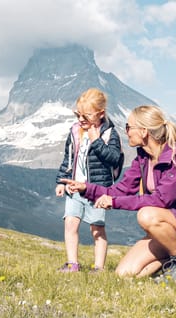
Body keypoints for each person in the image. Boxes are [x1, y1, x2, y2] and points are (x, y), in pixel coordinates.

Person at [60, 105, 176, 281]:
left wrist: (114, 202)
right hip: (168, 230)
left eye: (128, 127)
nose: (126, 132)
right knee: (124, 274)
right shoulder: (143, 158)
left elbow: (161, 200)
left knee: (146, 215)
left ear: (143, 131)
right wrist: (86, 188)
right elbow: (119, 190)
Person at [54, 88, 124, 273]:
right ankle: (72, 264)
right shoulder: (75, 131)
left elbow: (114, 158)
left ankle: (99, 267)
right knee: (70, 223)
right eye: (78, 114)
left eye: (86, 115)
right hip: (74, 187)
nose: (80, 119)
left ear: (101, 114)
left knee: (97, 229)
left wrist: (96, 141)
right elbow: (68, 158)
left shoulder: (109, 134)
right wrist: (62, 181)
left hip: (97, 190)